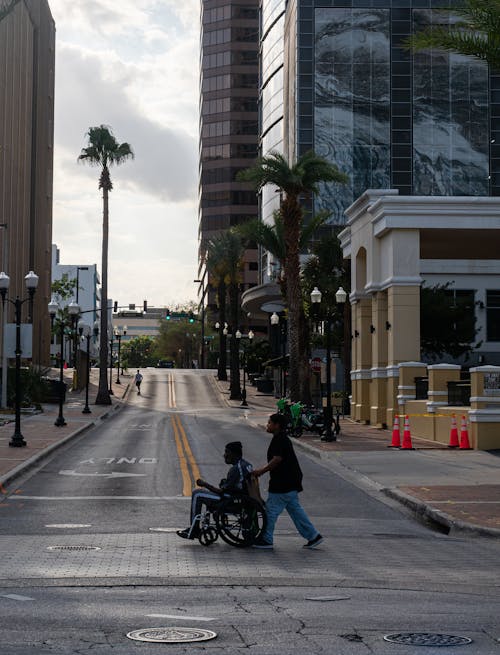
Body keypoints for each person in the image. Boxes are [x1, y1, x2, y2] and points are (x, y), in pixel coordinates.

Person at [252, 413, 323, 550]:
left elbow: (277, 459)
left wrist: (260, 471)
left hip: (282, 483)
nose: (267, 425)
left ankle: (267, 539)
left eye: (269, 423)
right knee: (296, 511)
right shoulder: (281, 438)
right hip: (290, 482)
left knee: (271, 511)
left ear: (277, 425)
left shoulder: (280, 439)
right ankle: (313, 536)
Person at [177, 441, 253, 540]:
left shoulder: (236, 469)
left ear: (234, 454)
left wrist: (205, 484)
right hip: (241, 498)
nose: (224, 455)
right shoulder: (247, 465)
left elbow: (221, 491)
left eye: (227, 452)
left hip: (232, 500)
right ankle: (201, 526)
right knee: (205, 493)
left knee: (197, 494)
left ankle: (194, 529)